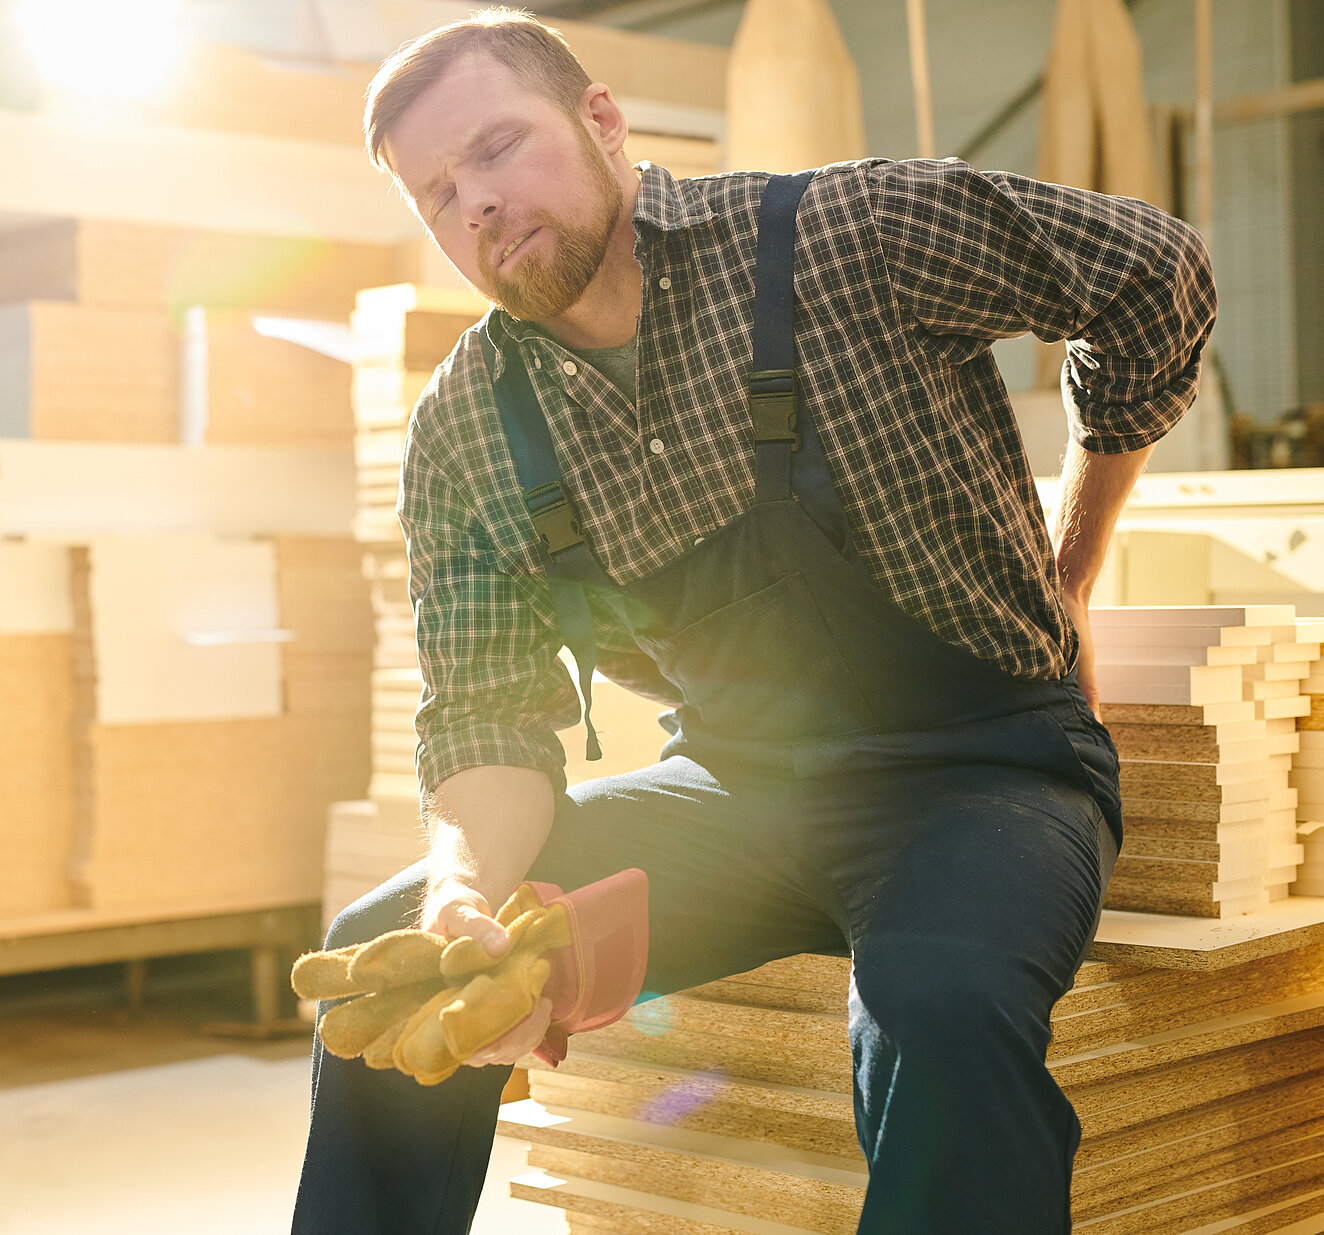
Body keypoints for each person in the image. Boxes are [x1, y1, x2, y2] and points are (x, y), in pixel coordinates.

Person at [292, 9, 1216, 1234]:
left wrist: (1077, 555)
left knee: (938, 1007)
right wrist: (463, 897)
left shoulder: (846, 233)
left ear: (603, 121)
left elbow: (1156, 275)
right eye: (437, 191)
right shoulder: (467, 432)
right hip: (734, 791)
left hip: (984, 773)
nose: (477, 204)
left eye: (500, 146)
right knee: (389, 964)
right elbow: (484, 714)